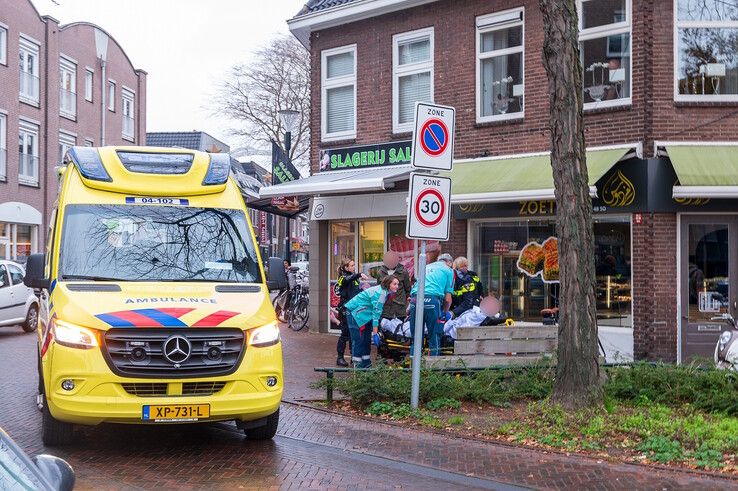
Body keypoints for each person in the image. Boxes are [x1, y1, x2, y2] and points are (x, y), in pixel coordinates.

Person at [344, 275, 399, 368]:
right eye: (395, 284)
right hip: (354, 314)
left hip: (363, 315)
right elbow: (376, 315)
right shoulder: (381, 294)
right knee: (358, 341)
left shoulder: (384, 292)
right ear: (388, 284)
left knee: (366, 340)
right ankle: (358, 368)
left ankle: (366, 364)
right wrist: (375, 333)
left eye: (398, 284)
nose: (397, 286)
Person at [408, 252, 454, 356]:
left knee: (416, 337)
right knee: (434, 335)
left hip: (415, 300)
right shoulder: (449, 271)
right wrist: (444, 313)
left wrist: (409, 309)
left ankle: (412, 368)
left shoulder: (426, 267)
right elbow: (447, 299)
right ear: (450, 263)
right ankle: (433, 368)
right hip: (432, 301)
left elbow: (416, 287)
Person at [335, 258, 369, 366]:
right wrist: (359, 274)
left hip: (355, 309)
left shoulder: (354, 279)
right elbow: (346, 280)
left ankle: (353, 356)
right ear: (346, 267)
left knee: (353, 334)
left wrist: (363, 290)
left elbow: (355, 290)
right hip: (346, 309)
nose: (354, 267)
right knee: (345, 334)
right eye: (352, 265)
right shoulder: (343, 277)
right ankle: (340, 357)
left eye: (354, 265)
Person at [377, 251, 412, 321]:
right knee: (386, 330)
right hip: (385, 308)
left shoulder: (403, 271)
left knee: (399, 330)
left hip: (399, 307)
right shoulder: (381, 272)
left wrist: (406, 300)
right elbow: (379, 289)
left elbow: (407, 288)